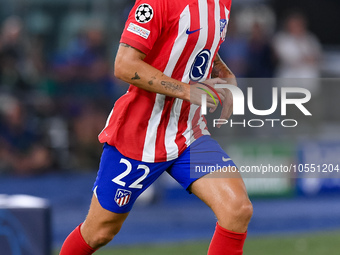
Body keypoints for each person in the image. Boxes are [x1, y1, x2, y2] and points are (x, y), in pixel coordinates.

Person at [60, 0, 253, 254]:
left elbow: (195, 34)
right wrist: (185, 90)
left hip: (188, 132)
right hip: (140, 135)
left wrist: (222, 69)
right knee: (99, 232)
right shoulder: (155, 3)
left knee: (237, 208)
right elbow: (124, 64)